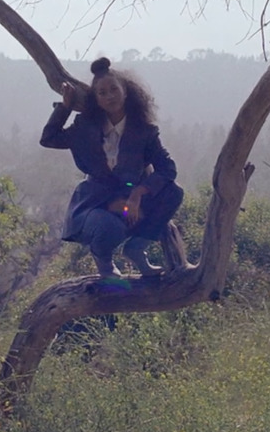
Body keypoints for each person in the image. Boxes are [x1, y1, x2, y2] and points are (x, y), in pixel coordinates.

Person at [41, 57, 184, 277]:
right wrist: (66, 107)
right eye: (102, 93)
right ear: (95, 99)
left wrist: (138, 193)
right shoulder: (85, 127)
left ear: (125, 91)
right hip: (95, 203)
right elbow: (49, 138)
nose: (110, 96)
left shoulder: (144, 131)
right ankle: (104, 261)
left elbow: (168, 169)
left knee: (173, 193)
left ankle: (137, 248)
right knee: (108, 227)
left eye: (113, 89)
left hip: (130, 201)